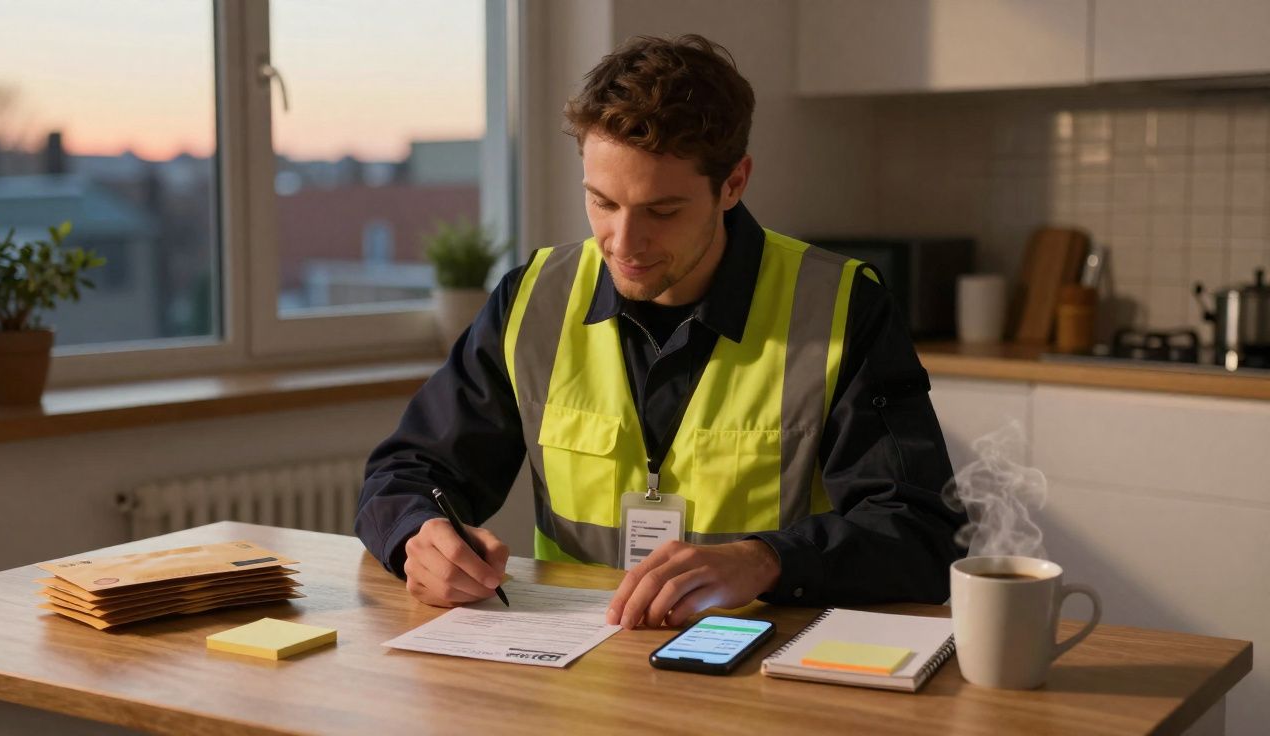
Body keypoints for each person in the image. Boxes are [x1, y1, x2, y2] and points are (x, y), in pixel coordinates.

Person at [356, 34, 966, 630]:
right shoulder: (532, 300)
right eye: (602, 203)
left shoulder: (841, 305)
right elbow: (405, 472)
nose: (624, 244)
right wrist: (418, 537)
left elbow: (921, 533)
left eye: (662, 212)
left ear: (734, 184)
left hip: (763, 670)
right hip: (575, 676)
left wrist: (768, 559)